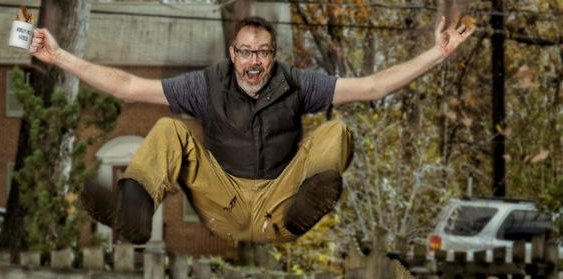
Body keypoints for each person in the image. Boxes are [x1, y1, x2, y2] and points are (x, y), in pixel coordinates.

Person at [28, 14, 475, 245]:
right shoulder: (206, 85)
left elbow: (373, 86)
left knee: (336, 133)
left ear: (274, 56)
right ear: (232, 53)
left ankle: (306, 205)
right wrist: (60, 57)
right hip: (223, 200)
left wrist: (437, 54)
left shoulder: (300, 84)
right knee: (168, 130)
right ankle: (134, 212)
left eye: (263, 53)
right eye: (246, 52)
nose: (254, 62)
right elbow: (129, 86)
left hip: (280, 204)